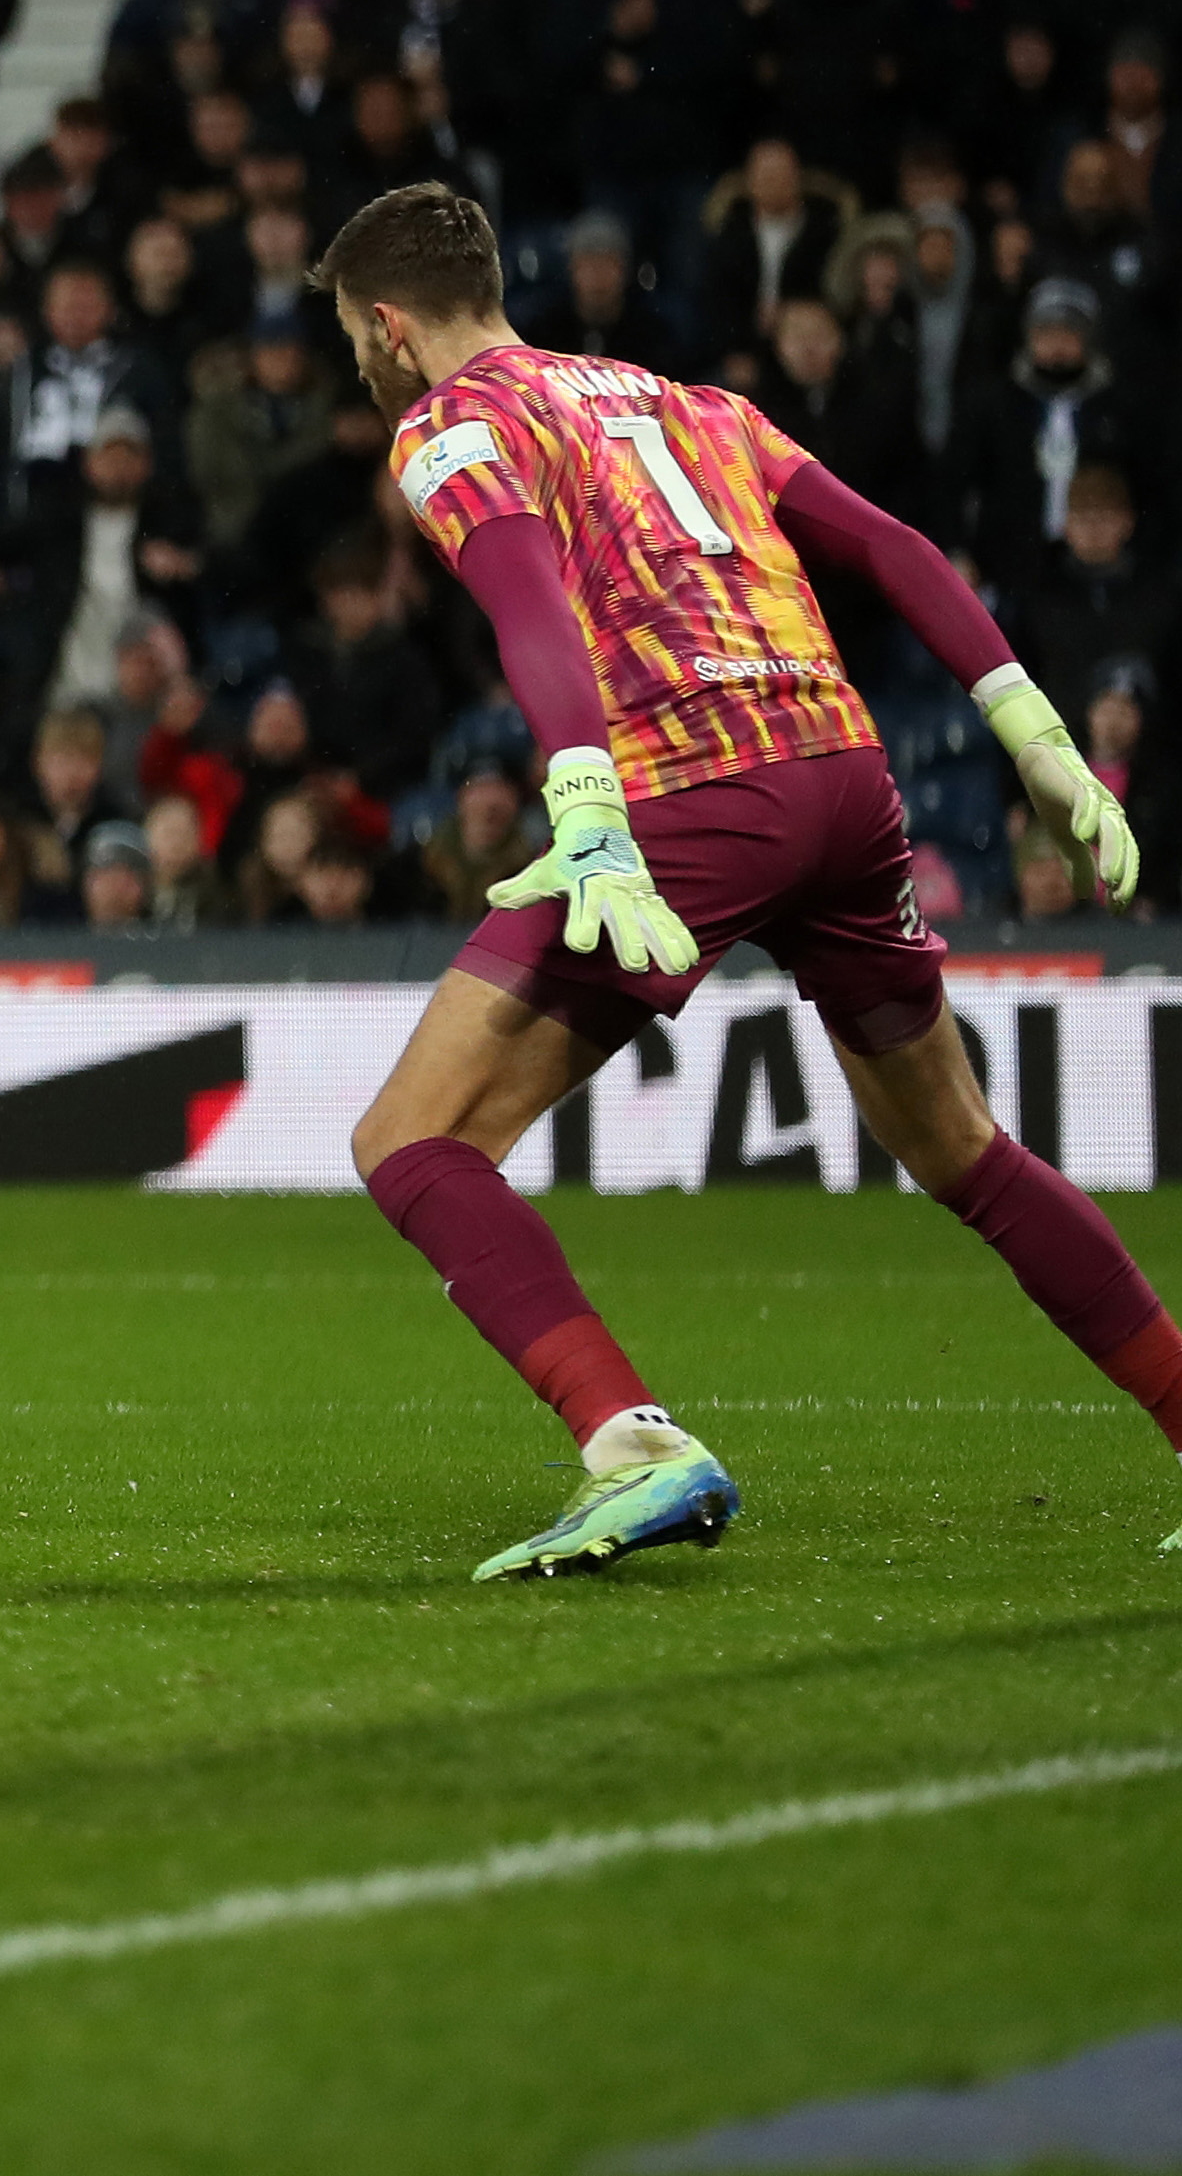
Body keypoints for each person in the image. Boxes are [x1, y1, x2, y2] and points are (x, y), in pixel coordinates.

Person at [324, 181, 1182, 1578]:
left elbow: (526, 592)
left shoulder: (450, 421)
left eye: (355, 344)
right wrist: (1032, 731)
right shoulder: (682, 400)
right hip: (843, 774)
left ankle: (631, 1446)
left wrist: (584, 796)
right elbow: (891, 545)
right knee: (962, 1147)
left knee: (412, 1139)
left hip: (685, 791)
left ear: (384, 322)